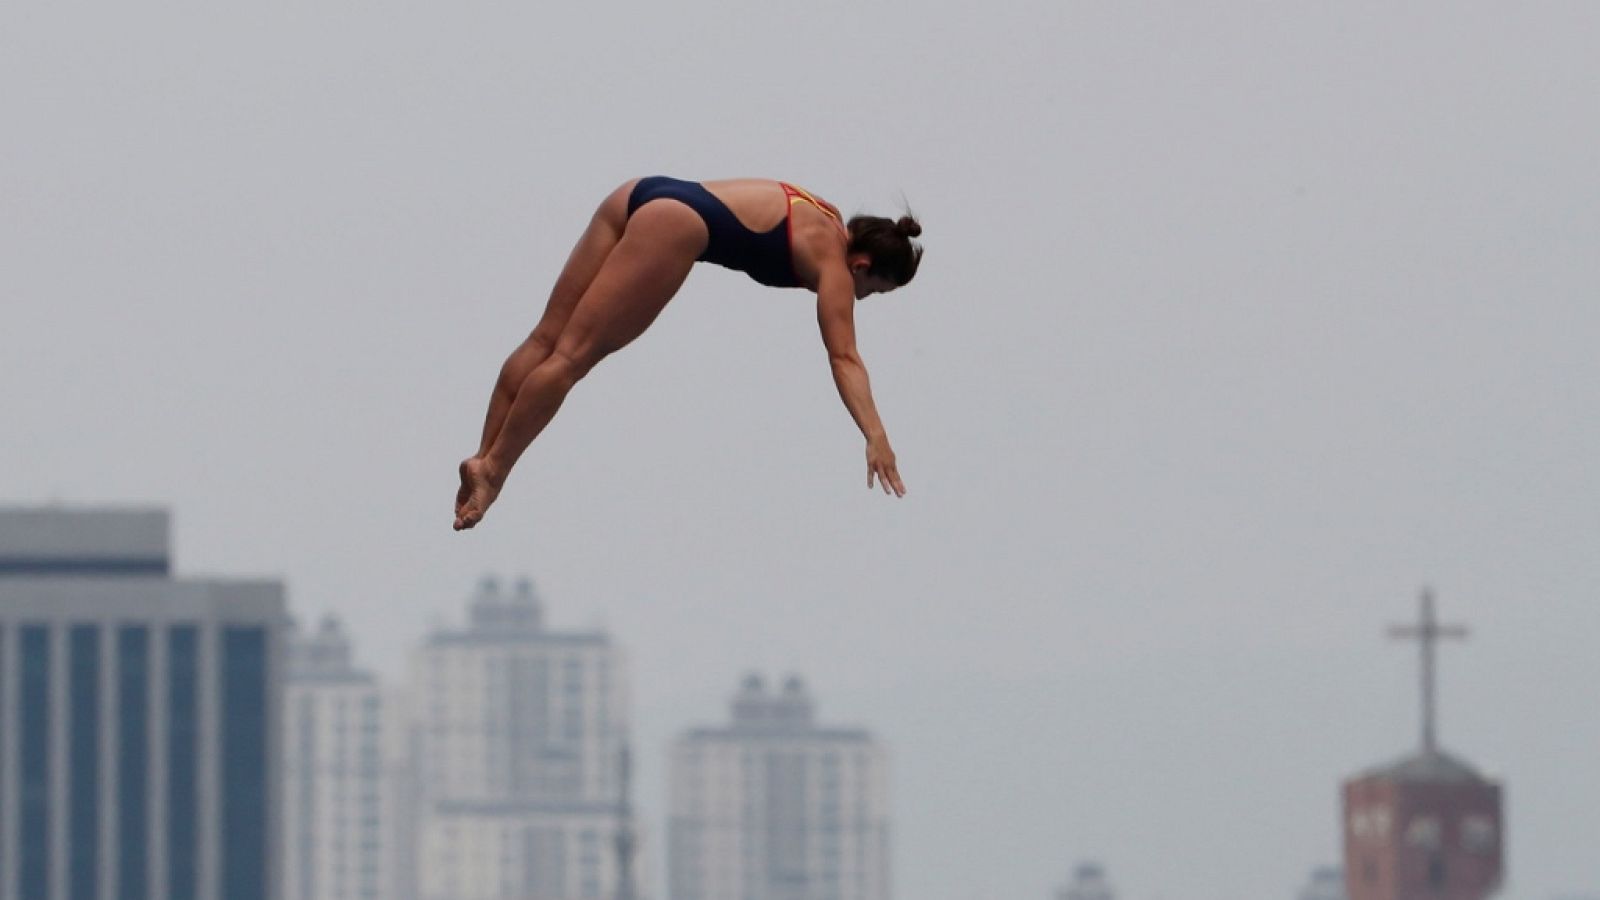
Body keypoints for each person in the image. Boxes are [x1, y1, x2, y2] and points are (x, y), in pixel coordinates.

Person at [453, 176, 923, 531]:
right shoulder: (835, 267)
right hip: (677, 225)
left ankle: (482, 456)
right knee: (571, 359)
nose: (860, 299)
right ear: (862, 264)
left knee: (544, 341)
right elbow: (844, 357)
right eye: (872, 291)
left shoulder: (826, 212)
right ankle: (493, 471)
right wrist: (875, 434)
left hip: (640, 193)